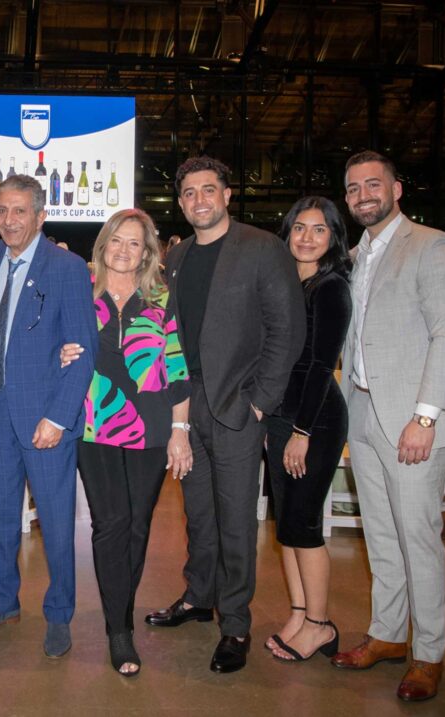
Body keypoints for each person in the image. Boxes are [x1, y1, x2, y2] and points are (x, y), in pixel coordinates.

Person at [145, 156, 305, 675]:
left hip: (239, 410)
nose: (199, 201)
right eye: (188, 193)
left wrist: (259, 401)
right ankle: (199, 597)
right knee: (199, 516)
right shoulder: (179, 257)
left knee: (236, 523)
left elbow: (287, 332)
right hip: (189, 414)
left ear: (228, 194)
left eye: (208, 190)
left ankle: (235, 623)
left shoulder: (262, 249)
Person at [332, 150, 445, 702]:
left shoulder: (434, 246)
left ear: (397, 190)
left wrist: (425, 418)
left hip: (414, 418)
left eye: (374, 184)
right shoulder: (353, 257)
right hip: (364, 411)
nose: (363, 195)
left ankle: (428, 653)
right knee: (382, 533)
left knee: (418, 537)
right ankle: (389, 635)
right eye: (353, 189)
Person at [0, 175, 96, 658]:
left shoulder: (68, 267)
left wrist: (58, 417)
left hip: (44, 419)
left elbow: (81, 350)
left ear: (41, 215)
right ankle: (1, 603)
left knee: (57, 522)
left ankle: (59, 615)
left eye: (20, 211)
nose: (10, 220)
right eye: (2, 210)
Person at [60, 208, 192, 676]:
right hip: (93, 424)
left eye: (134, 243)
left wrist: (181, 430)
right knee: (110, 522)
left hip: (152, 428)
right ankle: (120, 630)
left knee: (137, 524)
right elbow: (52, 338)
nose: (123, 250)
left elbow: (177, 365)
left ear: (147, 251)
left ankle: (121, 608)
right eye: (117, 240)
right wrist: (60, 351)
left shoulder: (161, 296)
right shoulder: (79, 290)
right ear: (103, 243)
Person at [263, 196, 352, 663]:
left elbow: (321, 365)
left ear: (333, 237)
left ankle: (320, 625)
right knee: (286, 525)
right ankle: (299, 614)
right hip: (281, 417)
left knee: (304, 524)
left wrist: (302, 431)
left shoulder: (330, 287)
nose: (307, 237)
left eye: (319, 230)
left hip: (313, 421)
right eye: (300, 227)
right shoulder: (285, 281)